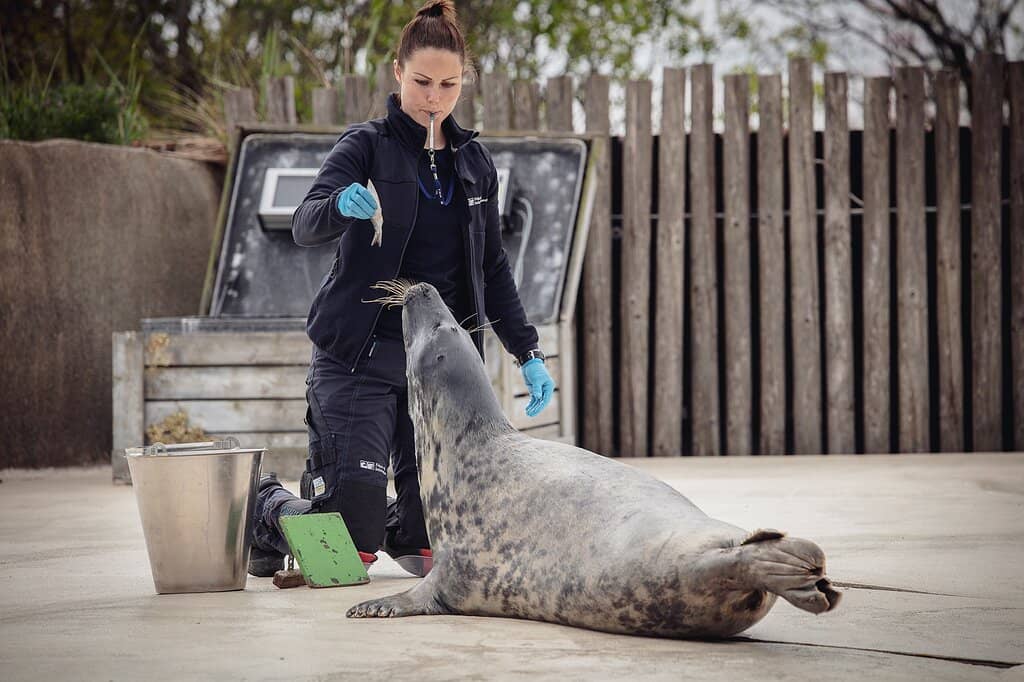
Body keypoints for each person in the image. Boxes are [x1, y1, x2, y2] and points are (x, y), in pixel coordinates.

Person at [249, 0, 556, 578]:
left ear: (464, 82)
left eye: (448, 84)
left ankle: (372, 513)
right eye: (421, 82)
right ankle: (266, 508)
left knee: (429, 554)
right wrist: (340, 204)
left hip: (435, 371)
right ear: (397, 73)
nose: (434, 97)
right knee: (343, 559)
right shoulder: (364, 146)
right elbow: (304, 221)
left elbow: (492, 268)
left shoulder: (475, 164)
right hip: (360, 358)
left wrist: (529, 353)